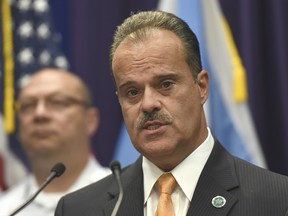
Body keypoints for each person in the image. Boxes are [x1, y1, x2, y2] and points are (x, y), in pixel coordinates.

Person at [55, 11, 288, 216]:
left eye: (165, 84)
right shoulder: (78, 209)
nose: (148, 104)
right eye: (132, 92)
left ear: (202, 87)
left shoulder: (276, 201)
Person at [0, 68, 111, 216]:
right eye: (27, 105)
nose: (40, 114)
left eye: (58, 102)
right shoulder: (5, 209)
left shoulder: (124, 195)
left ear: (90, 120)